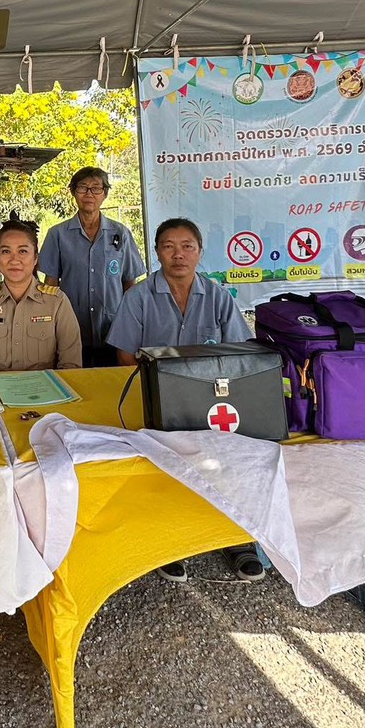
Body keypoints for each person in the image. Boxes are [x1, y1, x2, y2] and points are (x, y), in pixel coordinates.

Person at [106, 218, 260, 584]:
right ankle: (168, 545)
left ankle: (236, 539)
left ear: (199, 252)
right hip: (157, 399)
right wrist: (158, 389)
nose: (179, 254)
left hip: (212, 401)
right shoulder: (138, 297)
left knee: (233, 460)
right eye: (169, 246)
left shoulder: (218, 297)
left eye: (187, 246)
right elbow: (125, 354)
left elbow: (239, 353)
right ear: (157, 253)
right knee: (161, 468)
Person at [37, 166, 145, 365]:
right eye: (82, 187)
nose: (89, 194)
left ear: (105, 194)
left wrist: (131, 326)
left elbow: (130, 285)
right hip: (70, 330)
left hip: (114, 332)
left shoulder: (120, 233)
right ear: (73, 192)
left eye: (96, 188)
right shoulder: (58, 234)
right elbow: (50, 285)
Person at [0, 221, 83, 372]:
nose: (14, 260)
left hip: (45, 386)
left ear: (35, 258)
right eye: (6, 251)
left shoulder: (56, 302)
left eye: (23, 251)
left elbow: (71, 365)